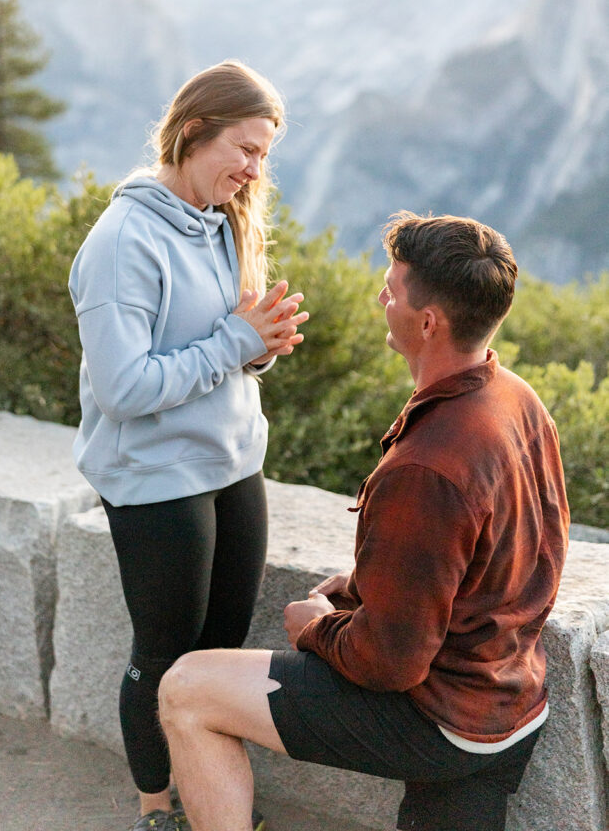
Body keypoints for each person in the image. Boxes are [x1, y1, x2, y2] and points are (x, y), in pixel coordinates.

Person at [157, 212, 569, 831]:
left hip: (440, 722)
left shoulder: (426, 469)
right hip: (512, 704)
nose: (382, 296)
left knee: (187, 687)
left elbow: (390, 664)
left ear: (427, 323)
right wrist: (365, 586)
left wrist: (316, 628)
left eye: (392, 289)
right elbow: (498, 555)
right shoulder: (517, 398)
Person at [68, 61, 308, 831]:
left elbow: (224, 345)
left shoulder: (226, 219)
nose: (252, 169)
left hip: (233, 462)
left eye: (264, 154)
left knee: (221, 652)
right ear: (192, 131)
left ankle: (212, 794)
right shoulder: (121, 242)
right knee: (166, 652)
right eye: (244, 148)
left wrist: (259, 342)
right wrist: (236, 339)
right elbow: (125, 389)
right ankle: (156, 807)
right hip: (154, 476)